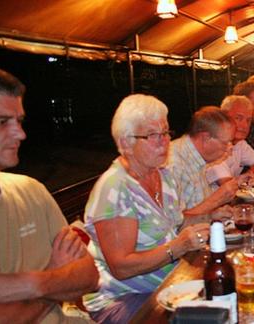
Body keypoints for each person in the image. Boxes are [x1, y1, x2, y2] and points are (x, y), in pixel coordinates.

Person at [83, 94, 210, 323]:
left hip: (172, 283)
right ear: (125, 144)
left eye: (165, 133)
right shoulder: (115, 188)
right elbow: (121, 266)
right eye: (152, 135)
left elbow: (175, 224)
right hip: (123, 298)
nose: (163, 142)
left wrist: (212, 217)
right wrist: (178, 247)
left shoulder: (163, 175)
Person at [0, 69, 98, 323]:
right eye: (2, 122)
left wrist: (31, 284)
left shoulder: (30, 190)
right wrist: (55, 276)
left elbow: (89, 275)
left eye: (19, 121)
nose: (20, 134)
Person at [168, 106, 238, 221]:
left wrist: (216, 212)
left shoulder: (197, 158)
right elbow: (174, 225)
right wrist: (216, 200)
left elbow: (195, 205)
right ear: (206, 138)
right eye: (226, 143)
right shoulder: (174, 164)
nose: (229, 148)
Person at [205, 95, 254, 187]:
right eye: (238, 118)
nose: (244, 125)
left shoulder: (240, 143)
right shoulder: (215, 146)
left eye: (248, 120)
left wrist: (248, 176)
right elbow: (228, 188)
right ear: (223, 117)